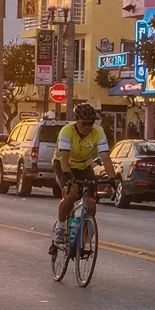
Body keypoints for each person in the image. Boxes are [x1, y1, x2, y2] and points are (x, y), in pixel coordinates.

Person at [53, 104, 108, 251]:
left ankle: (84, 241)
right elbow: (64, 161)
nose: (88, 127)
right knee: (71, 193)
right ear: (76, 120)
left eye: (91, 123)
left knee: (91, 203)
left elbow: (106, 158)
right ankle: (59, 227)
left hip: (84, 166)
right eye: (84, 123)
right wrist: (68, 179)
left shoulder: (98, 131)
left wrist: (113, 179)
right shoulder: (67, 131)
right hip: (64, 165)